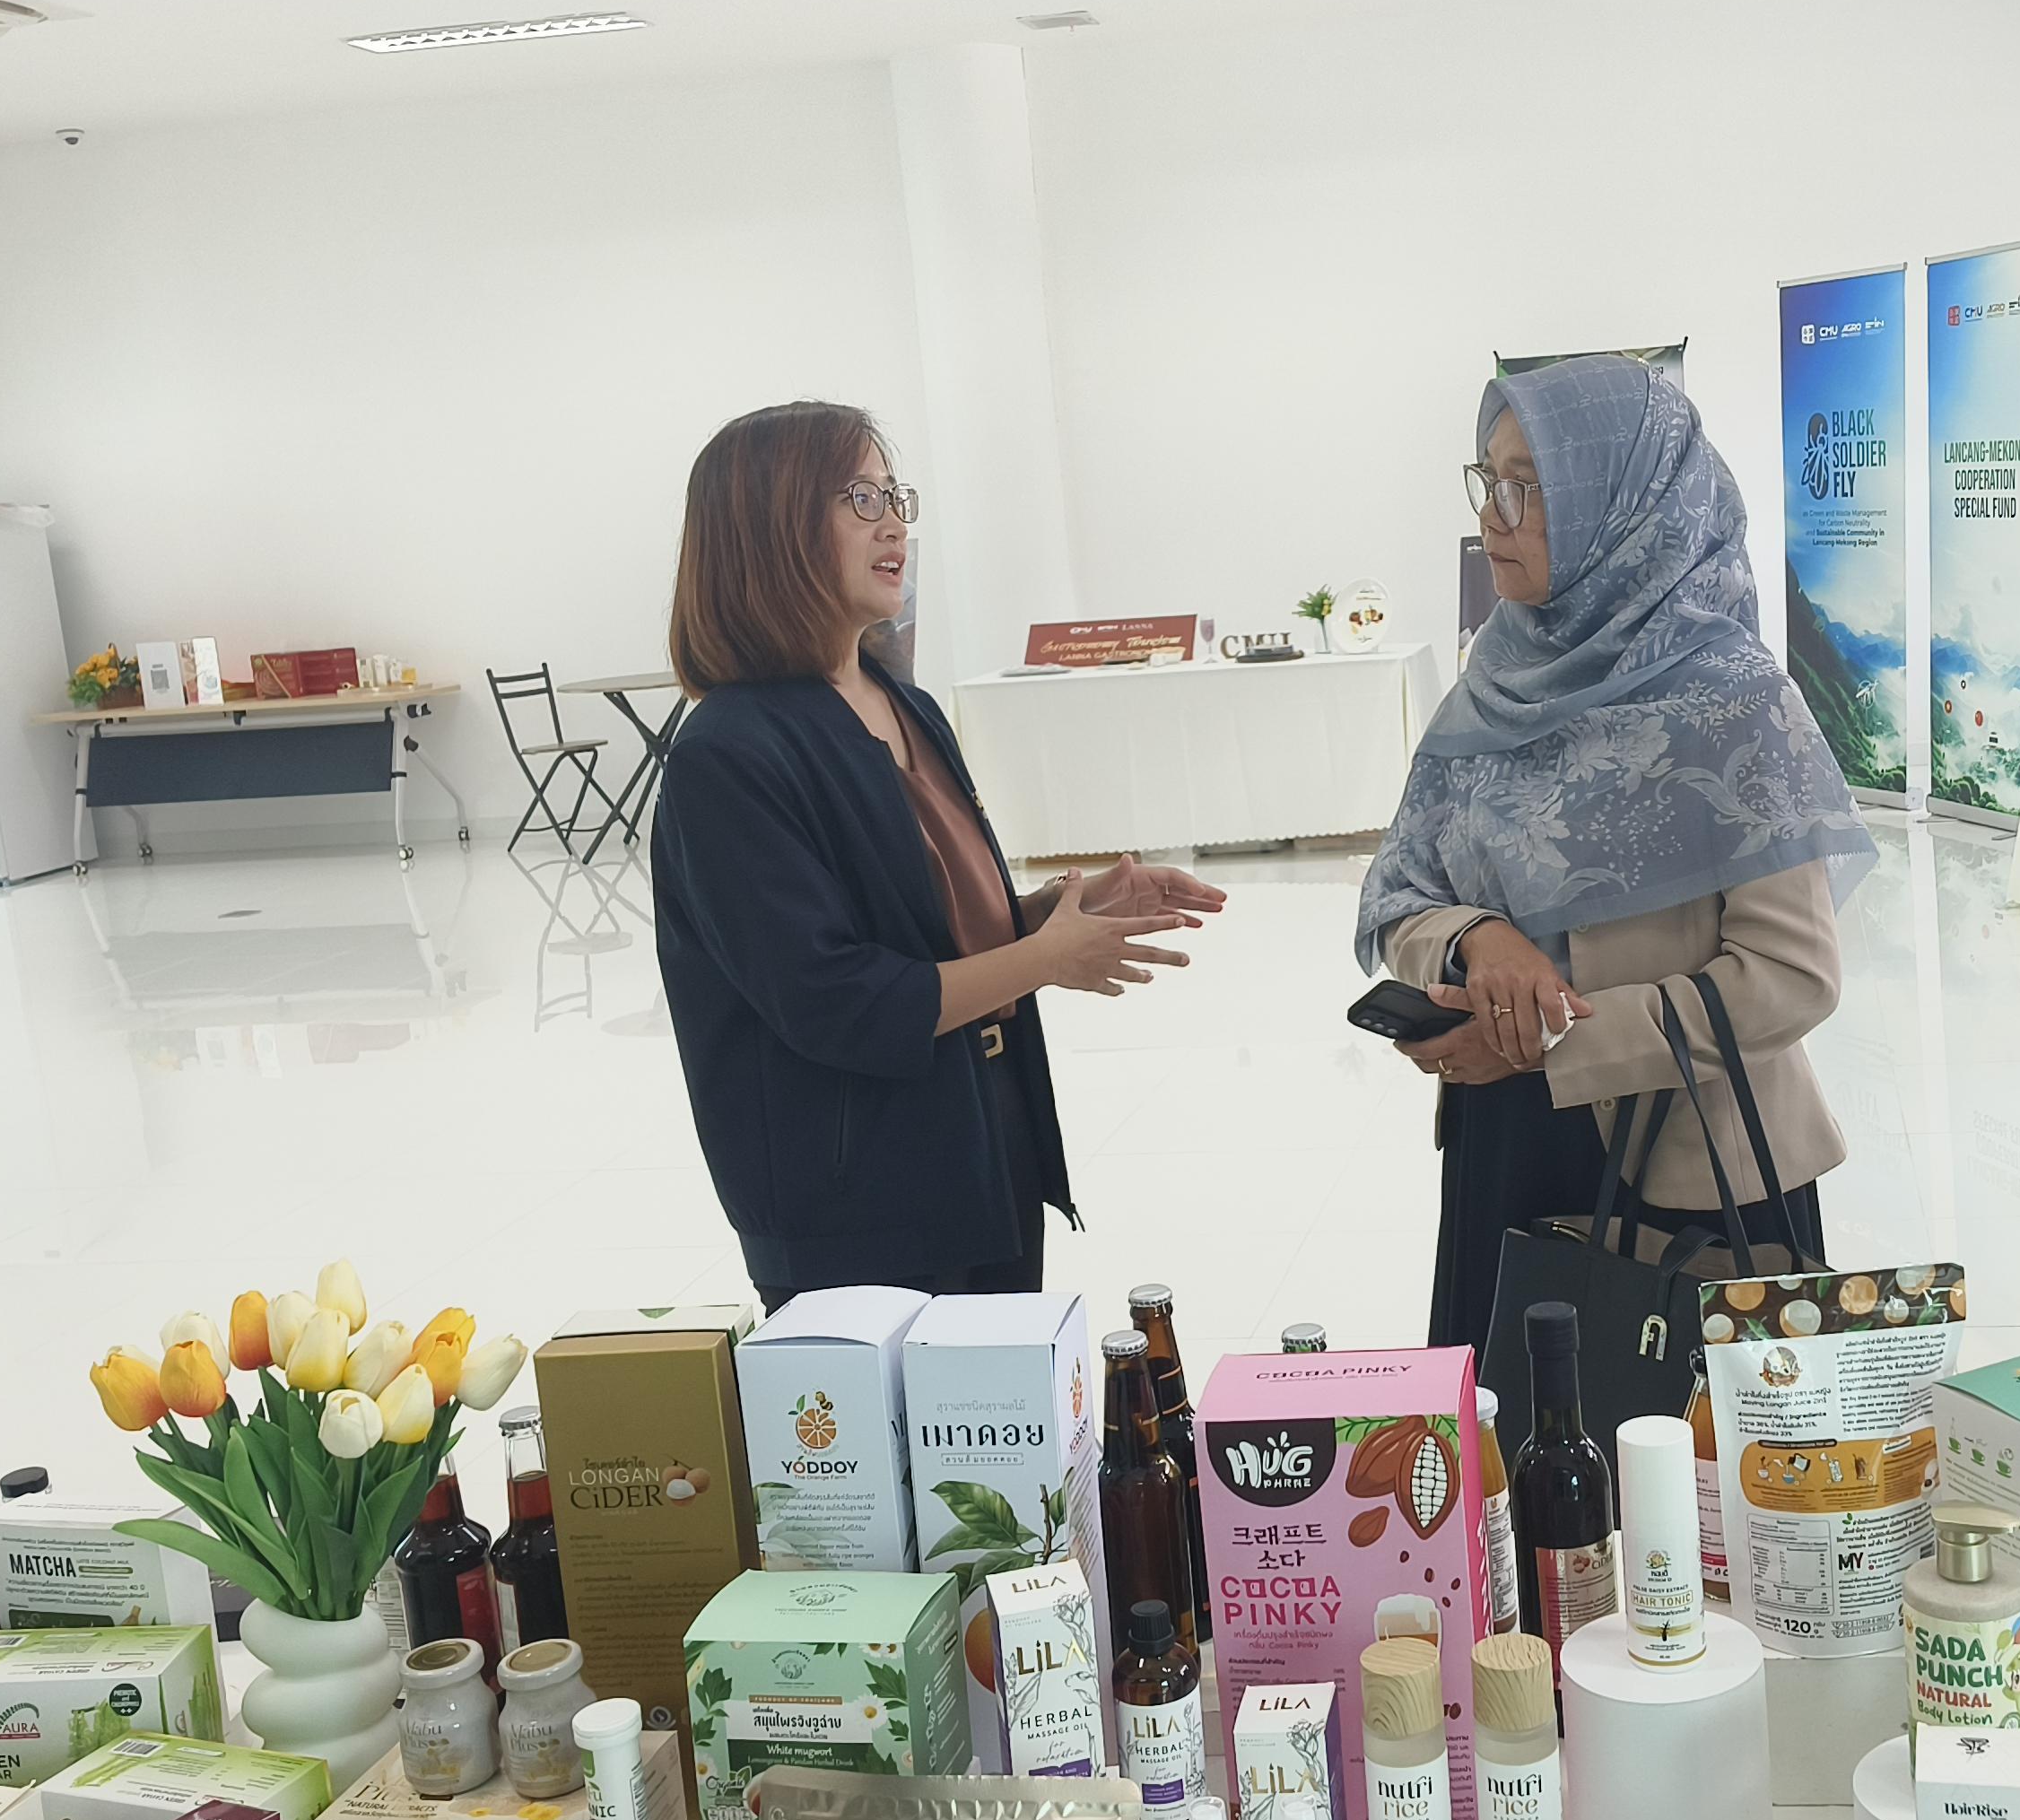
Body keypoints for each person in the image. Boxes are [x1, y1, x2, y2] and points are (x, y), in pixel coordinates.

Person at [650, 402, 1224, 1305]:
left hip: (982, 1150)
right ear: (769, 526)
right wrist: (1045, 959)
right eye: (859, 497)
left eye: (895, 496)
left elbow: (923, 933)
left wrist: (1055, 914)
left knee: (1007, 1394)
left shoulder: (897, 700)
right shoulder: (729, 753)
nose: (894, 525)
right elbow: (834, 999)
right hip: (855, 1203)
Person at [1357, 357, 1876, 1353]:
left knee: (1686, 1444)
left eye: (1529, 488)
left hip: (1692, 1163)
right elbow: (1403, 894)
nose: (1494, 518)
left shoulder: (1735, 705)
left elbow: (1791, 977)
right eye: (1488, 481)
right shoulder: (1493, 683)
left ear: (1624, 508)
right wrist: (1475, 940)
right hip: (1507, 1146)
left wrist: (1549, 1042)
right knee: (1516, 1432)